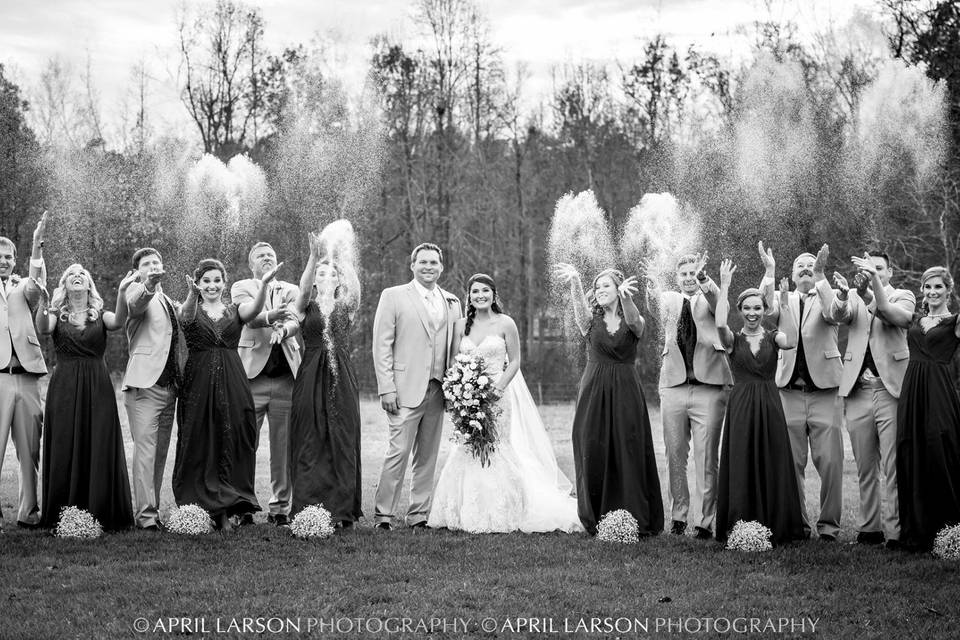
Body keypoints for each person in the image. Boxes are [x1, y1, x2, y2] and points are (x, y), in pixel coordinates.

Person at [427, 273, 582, 533]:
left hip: (498, 396)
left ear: (493, 294)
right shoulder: (460, 325)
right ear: (469, 296)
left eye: (485, 291)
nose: (480, 296)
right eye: (475, 291)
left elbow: (516, 361)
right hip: (467, 396)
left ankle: (504, 510)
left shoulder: (506, 323)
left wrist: (497, 388)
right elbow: (454, 360)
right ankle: (461, 511)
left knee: (497, 446)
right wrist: (459, 390)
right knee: (467, 447)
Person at [555, 262, 664, 536]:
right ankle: (595, 515)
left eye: (606, 285)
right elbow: (579, 312)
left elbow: (633, 322)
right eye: (597, 287)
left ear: (618, 289)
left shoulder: (632, 319)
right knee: (591, 445)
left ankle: (631, 513)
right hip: (593, 390)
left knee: (627, 447)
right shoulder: (590, 321)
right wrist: (577, 283)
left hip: (626, 390)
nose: (599, 290)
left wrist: (626, 297)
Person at [173, 258, 279, 531]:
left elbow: (255, 310)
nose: (212, 285)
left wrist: (264, 285)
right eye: (206, 281)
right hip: (198, 382)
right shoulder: (190, 308)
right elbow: (184, 317)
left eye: (217, 280)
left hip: (233, 381)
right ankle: (201, 507)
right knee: (200, 440)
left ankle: (231, 506)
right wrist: (191, 293)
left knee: (234, 438)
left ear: (224, 282)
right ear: (198, 283)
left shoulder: (236, 309)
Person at [37, 264, 138, 531]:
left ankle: (101, 510)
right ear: (65, 284)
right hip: (65, 386)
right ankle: (63, 511)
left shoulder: (100, 316)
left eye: (83, 273)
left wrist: (123, 291)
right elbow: (42, 328)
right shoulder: (56, 315)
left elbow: (118, 321)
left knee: (98, 440)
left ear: (89, 284)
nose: (78, 275)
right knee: (65, 442)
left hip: (98, 386)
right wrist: (44, 302)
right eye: (71, 274)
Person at [713, 260, 805, 545]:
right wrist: (725, 286)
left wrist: (786, 301)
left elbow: (790, 340)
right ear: (739, 311)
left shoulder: (772, 337)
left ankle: (776, 522)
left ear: (765, 311)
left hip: (769, 402)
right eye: (747, 308)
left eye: (758, 308)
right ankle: (741, 523)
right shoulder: (732, 340)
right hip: (741, 403)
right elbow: (718, 323)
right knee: (741, 458)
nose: (752, 313)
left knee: (772, 457)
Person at [372, 243, 462, 530]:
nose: (428, 267)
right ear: (412, 265)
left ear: (441, 266)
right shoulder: (394, 296)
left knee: (427, 455)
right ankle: (383, 514)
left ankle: (418, 514)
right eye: (422, 262)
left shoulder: (452, 301)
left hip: (438, 390)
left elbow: (455, 347)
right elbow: (382, 345)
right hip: (403, 389)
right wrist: (386, 387)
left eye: (434, 262)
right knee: (398, 452)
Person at [759, 242, 845, 541]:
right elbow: (765, 312)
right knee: (792, 462)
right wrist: (769, 273)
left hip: (825, 392)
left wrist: (822, 276)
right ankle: (798, 524)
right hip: (789, 392)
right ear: (793, 275)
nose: (806, 268)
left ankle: (830, 527)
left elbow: (837, 313)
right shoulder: (783, 298)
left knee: (831, 462)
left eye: (811, 265)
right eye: (801, 266)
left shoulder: (826, 295)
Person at [832, 252, 915, 549]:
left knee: (893, 465)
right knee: (866, 466)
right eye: (869, 270)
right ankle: (870, 530)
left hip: (891, 388)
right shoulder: (856, 295)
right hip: (858, 389)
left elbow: (892, 315)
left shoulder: (903, 295)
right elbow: (838, 316)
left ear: (890, 272)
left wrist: (871, 287)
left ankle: (895, 533)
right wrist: (843, 295)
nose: (873, 273)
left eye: (879, 269)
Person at [289, 232, 362, 528]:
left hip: (341, 374)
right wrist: (313, 257)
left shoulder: (346, 305)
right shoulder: (305, 306)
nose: (326, 275)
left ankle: (342, 510)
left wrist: (343, 255)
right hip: (310, 374)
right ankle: (308, 507)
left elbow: (356, 291)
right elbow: (303, 290)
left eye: (332, 272)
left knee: (342, 437)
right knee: (310, 437)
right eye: (321, 272)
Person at [658, 252, 732, 539]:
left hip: (709, 386)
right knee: (675, 453)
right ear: (677, 278)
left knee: (706, 455)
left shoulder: (709, 295)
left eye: (693, 273)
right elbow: (655, 307)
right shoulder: (669, 300)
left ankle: (704, 521)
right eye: (684, 274)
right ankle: (678, 517)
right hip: (674, 385)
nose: (688, 278)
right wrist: (653, 285)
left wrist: (705, 280)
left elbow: (720, 306)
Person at [232, 242, 301, 527]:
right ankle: (243, 506)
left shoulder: (292, 289)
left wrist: (285, 328)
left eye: (271, 255)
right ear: (252, 264)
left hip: (286, 378)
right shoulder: (241, 286)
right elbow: (249, 317)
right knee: (245, 444)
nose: (266, 259)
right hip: (251, 378)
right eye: (261, 256)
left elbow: (297, 318)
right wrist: (272, 317)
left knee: (283, 449)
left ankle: (280, 508)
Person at [896, 266, 960, 550]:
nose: (932, 292)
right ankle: (916, 531)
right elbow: (884, 307)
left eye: (938, 287)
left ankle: (948, 529)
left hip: (939, 390)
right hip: (912, 390)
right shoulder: (914, 318)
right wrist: (873, 276)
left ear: (949, 290)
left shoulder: (955, 321)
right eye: (928, 287)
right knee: (911, 449)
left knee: (942, 449)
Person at [122, 247, 181, 531]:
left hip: (170, 388)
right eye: (147, 263)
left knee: (159, 454)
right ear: (137, 271)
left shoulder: (168, 300)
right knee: (145, 452)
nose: (154, 265)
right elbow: (135, 305)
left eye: (157, 261)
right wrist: (146, 284)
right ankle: (145, 517)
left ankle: (153, 511)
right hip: (144, 386)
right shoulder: (134, 293)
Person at [0, 213, 48, 530]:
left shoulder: (24, 287)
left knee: (30, 448)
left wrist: (35, 247)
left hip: (28, 375)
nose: (3, 261)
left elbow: (36, 288)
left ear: (16, 260)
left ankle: (28, 512)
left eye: (7, 257)